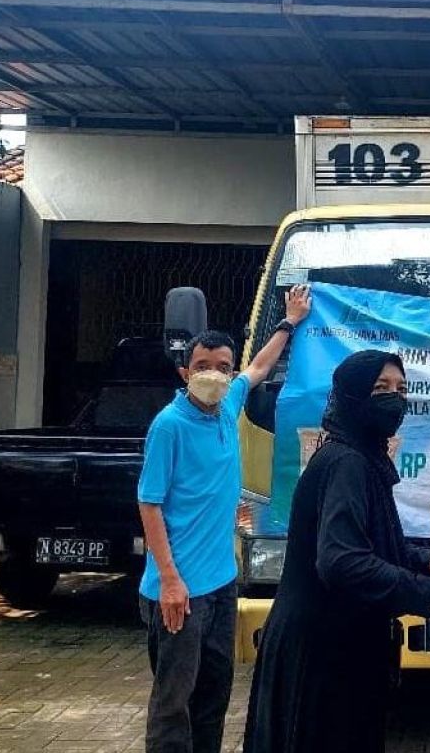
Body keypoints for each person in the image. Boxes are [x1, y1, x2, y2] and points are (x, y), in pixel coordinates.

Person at [243, 350, 430, 753]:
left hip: (339, 649)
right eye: (380, 389)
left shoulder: (360, 457)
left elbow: (372, 544)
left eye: (401, 389)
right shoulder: (347, 463)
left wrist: (429, 564)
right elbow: (341, 561)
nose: (394, 399)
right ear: (351, 396)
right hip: (322, 659)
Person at [137, 284, 312, 753]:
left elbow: (259, 367)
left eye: (221, 367)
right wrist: (171, 582)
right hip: (178, 592)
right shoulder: (168, 426)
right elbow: (149, 505)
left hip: (220, 584)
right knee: (175, 702)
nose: (212, 376)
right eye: (201, 367)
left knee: (214, 696)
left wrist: (289, 322)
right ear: (183, 371)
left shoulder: (229, 404)